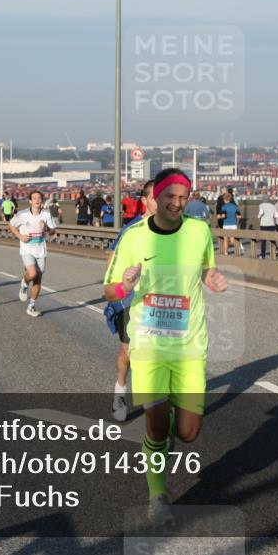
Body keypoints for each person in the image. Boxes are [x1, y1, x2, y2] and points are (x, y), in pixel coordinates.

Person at [103, 168, 227, 518]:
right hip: (148, 345)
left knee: (188, 433)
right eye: (170, 196)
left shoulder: (199, 231)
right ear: (155, 197)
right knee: (155, 427)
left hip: (189, 345)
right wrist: (125, 286)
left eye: (183, 197)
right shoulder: (133, 237)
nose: (177, 203)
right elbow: (108, 290)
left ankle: (171, 424)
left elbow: (205, 269)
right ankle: (157, 495)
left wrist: (213, 279)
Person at [104, 180, 156, 422]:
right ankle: (120, 391)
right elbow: (111, 259)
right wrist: (124, 283)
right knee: (128, 354)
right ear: (144, 201)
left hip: (163, 303)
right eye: (156, 197)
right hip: (132, 302)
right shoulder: (131, 230)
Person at [8, 190, 57, 317]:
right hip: (27, 249)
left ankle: (31, 306)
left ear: (42, 201)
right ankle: (24, 283)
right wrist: (20, 236)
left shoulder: (46, 214)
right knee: (32, 273)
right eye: (34, 198)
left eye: (39, 198)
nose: (37, 200)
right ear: (30, 201)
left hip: (41, 250)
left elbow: (53, 232)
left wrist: (46, 228)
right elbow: (11, 225)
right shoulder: (22, 214)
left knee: (38, 280)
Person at [257, 195, 277, 259]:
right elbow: (276, 216)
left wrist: (258, 216)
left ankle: (263, 255)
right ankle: (274, 253)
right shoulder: (273, 206)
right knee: (272, 239)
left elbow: (261, 213)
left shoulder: (261, 205)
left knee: (263, 241)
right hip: (271, 224)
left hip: (263, 224)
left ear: (263, 199)